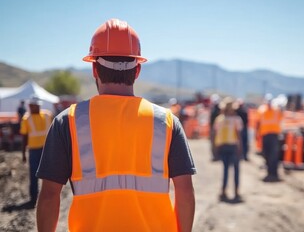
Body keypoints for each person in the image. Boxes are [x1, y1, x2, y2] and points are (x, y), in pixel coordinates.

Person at [36, 18, 196, 232]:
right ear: (137, 70)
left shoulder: (68, 120)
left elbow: (49, 196)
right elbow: (185, 192)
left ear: (94, 69)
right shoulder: (166, 121)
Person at [19, 95, 52, 207]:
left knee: (49, 175)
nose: (34, 108)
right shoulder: (26, 119)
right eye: (32, 106)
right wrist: (23, 154)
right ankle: (33, 199)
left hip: (47, 150)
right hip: (33, 151)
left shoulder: (48, 115)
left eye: (36, 106)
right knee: (33, 175)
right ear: (29, 106)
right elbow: (24, 138)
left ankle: (48, 198)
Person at [213, 97, 243, 202]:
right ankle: (236, 191)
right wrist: (241, 147)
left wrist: (215, 149)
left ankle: (224, 190)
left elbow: (216, 134)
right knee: (235, 170)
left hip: (222, 146)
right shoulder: (236, 120)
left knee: (225, 170)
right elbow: (238, 135)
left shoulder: (219, 119)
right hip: (233, 146)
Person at [256, 93, 284, 182]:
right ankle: (270, 172)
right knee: (266, 154)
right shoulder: (261, 110)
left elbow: (281, 117)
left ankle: (274, 173)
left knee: (273, 155)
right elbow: (258, 122)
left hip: (274, 136)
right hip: (265, 136)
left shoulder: (276, 110)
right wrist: (257, 134)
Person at [209, 93, 221, 161]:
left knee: (215, 142)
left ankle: (216, 155)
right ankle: (216, 155)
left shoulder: (216, 109)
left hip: (215, 129)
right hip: (216, 128)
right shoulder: (218, 109)